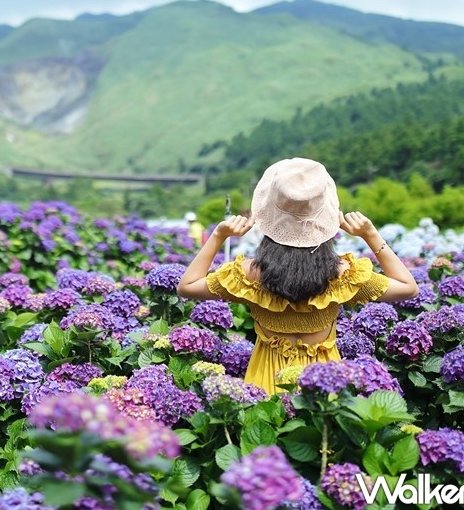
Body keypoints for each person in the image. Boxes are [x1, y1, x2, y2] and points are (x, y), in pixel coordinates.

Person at [177, 158, 419, 395]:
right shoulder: (343, 275)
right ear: (325, 217)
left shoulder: (249, 275)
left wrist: (219, 235)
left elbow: (187, 286)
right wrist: (371, 235)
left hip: (264, 386)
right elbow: (408, 287)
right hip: (323, 388)